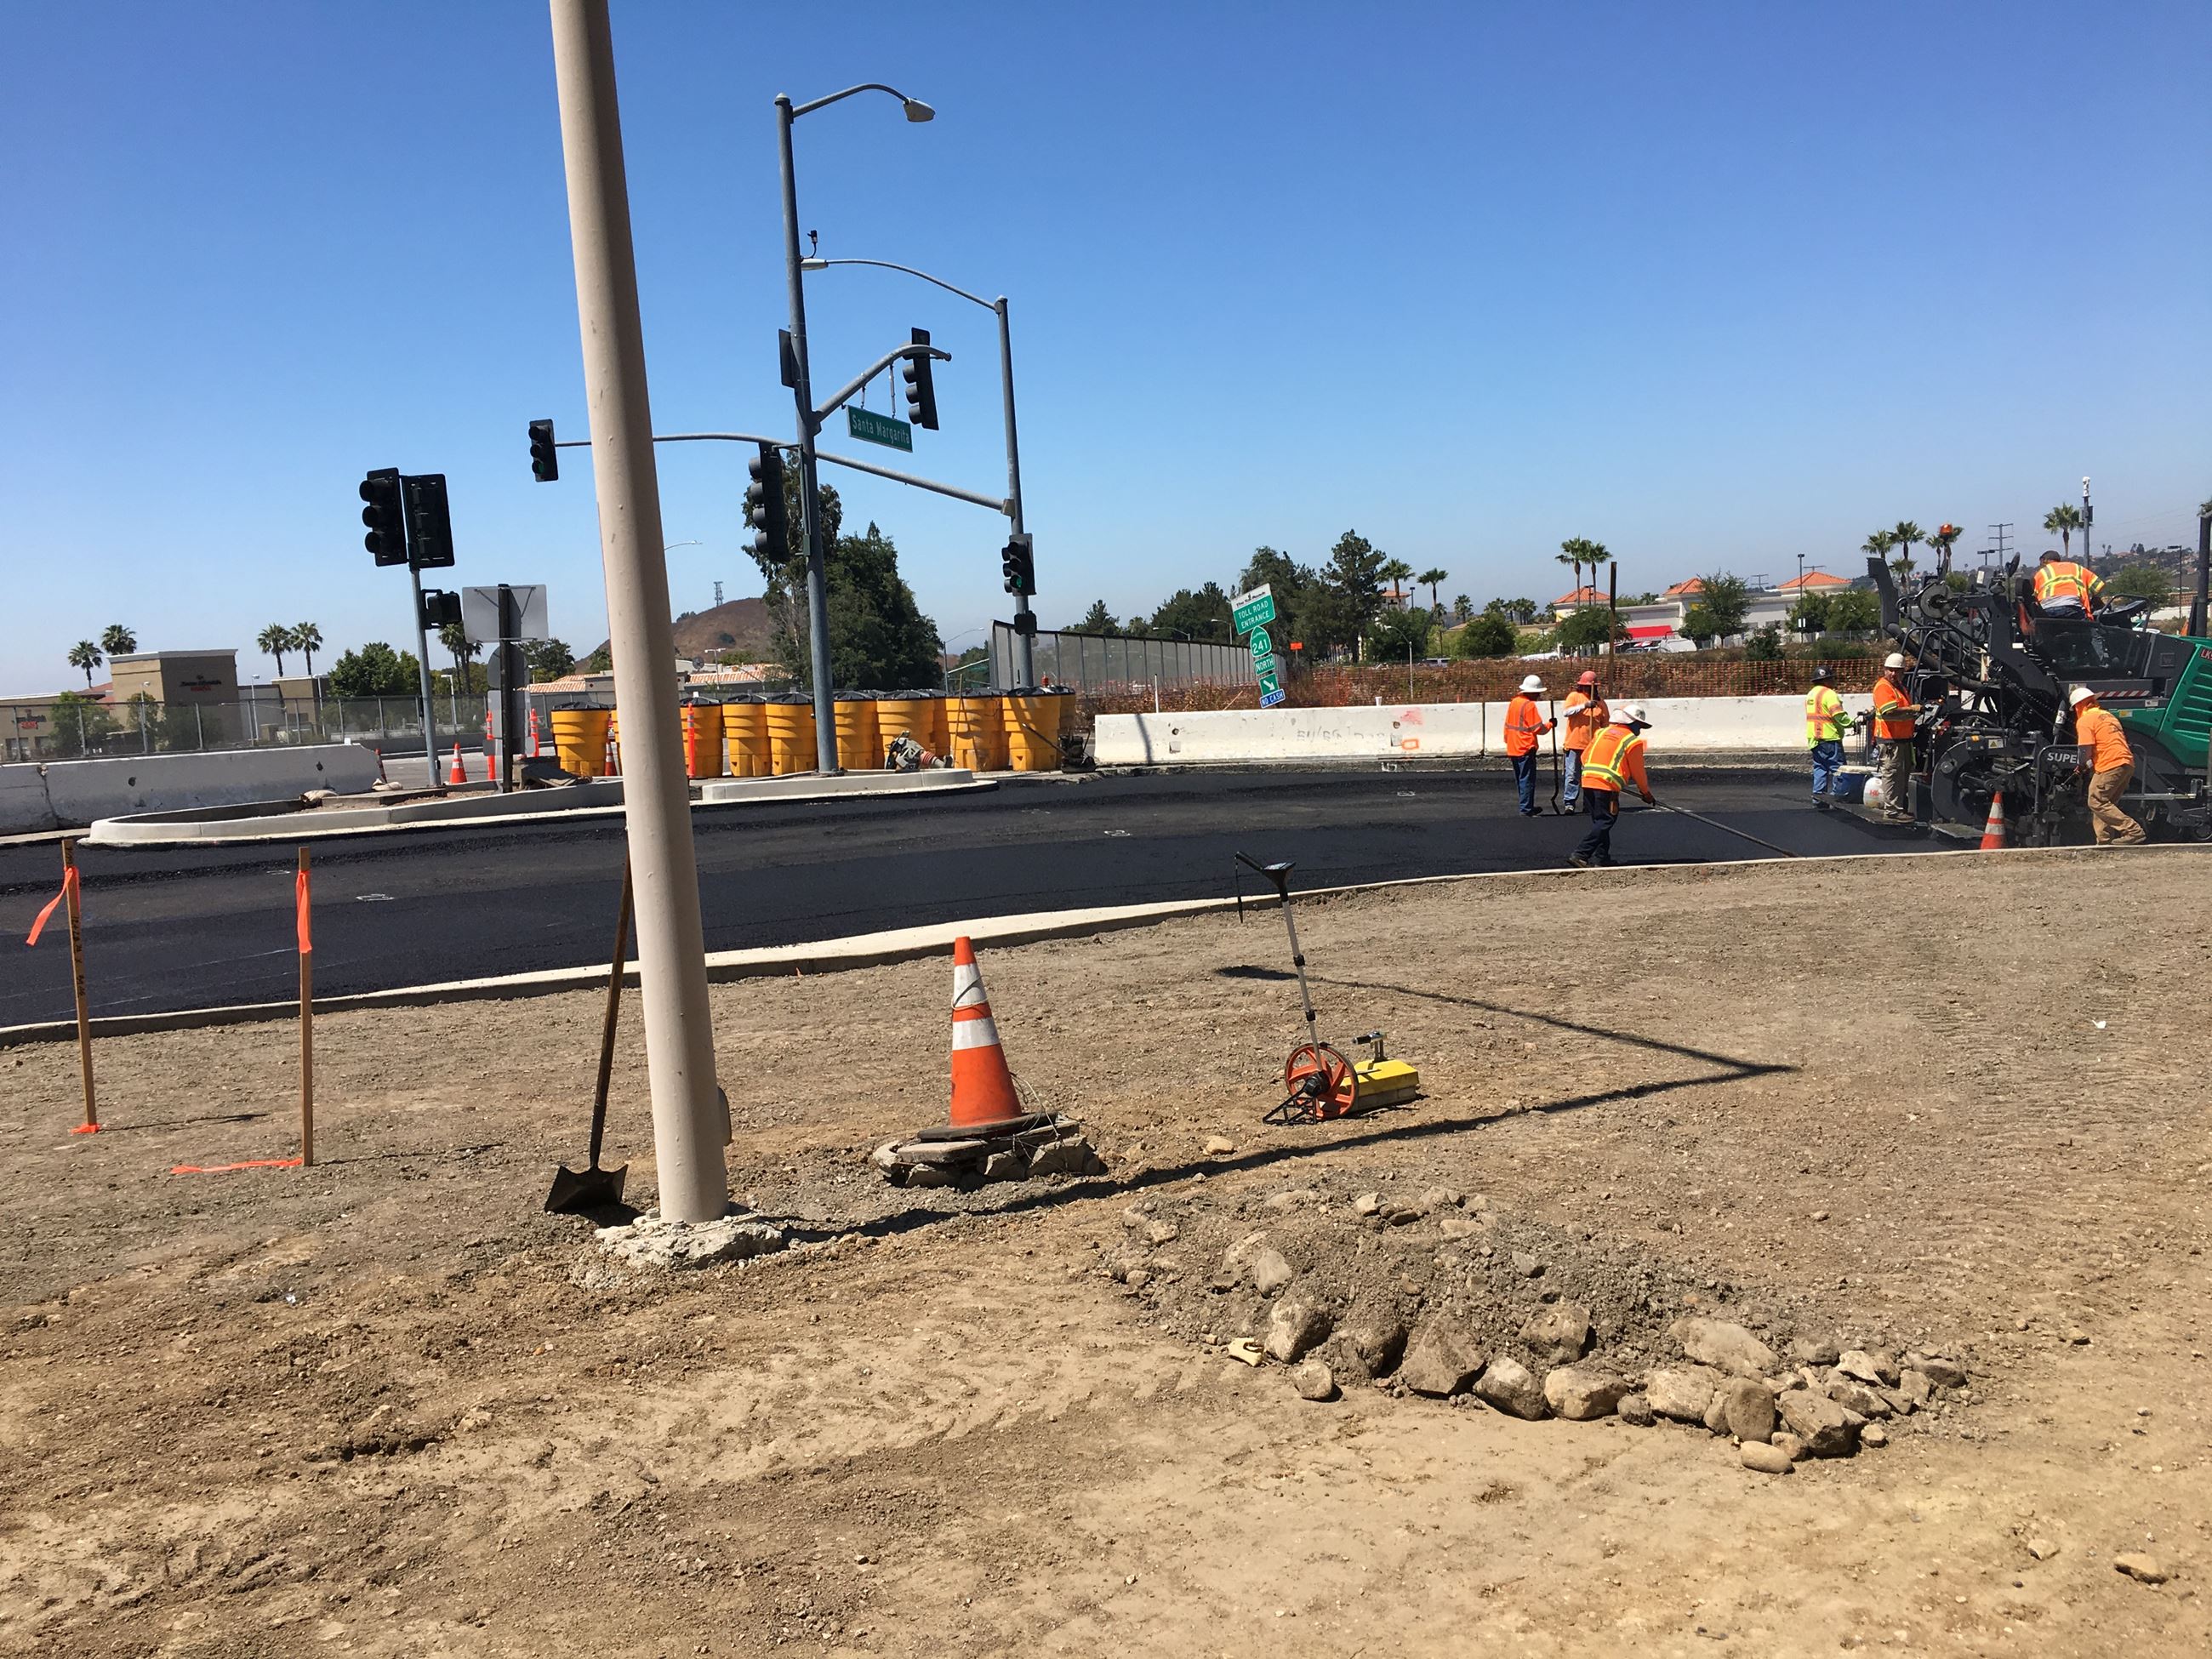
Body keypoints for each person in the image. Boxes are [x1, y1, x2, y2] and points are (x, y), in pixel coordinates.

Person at [1569, 703, 1654, 869]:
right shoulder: (1632, 741)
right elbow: (1638, 772)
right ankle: (1581, 854)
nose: (1640, 730)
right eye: (1640, 725)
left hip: (1588, 781)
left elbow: (1585, 757)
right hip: (1606, 785)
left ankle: (1602, 858)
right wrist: (1646, 793)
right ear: (1632, 723)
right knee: (1606, 820)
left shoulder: (1601, 733)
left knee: (1599, 822)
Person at [2068, 686, 2146, 845]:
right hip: (2126, 763)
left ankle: (2133, 831)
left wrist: (2081, 765)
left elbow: (2084, 750)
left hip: (2110, 764)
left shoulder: (2085, 720)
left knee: (2095, 800)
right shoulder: (2107, 716)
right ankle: (2104, 840)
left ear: (2078, 705)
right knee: (2104, 803)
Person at [1870, 652, 1921, 824]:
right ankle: (1892, 811)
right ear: (1885, 670)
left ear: (1902, 672)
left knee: (1901, 775)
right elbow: (1888, 711)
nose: (1893, 673)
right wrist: (1912, 709)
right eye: (1890, 670)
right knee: (1892, 774)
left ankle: (1898, 807)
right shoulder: (1883, 687)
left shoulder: (1900, 688)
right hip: (1891, 741)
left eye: (1896, 670)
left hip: (1902, 740)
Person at [1503, 674, 1554, 817]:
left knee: (1521, 779)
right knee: (1527, 779)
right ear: (1531, 692)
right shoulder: (1529, 705)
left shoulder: (1515, 702)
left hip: (1514, 747)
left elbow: (1507, 725)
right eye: (1537, 693)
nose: (1538, 696)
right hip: (1525, 747)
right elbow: (1538, 728)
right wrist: (1551, 725)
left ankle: (1526, 805)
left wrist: (1508, 740)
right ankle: (1526, 809)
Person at [1804, 665, 1854, 810]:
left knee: (1820, 768)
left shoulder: (1811, 695)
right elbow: (1838, 715)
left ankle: (1818, 798)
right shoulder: (1829, 694)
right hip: (1830, 738)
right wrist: (1852, 723)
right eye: (1833, 678)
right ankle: (1837, 798)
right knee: (1839, 769)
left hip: (1814, 739)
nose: (1834, 681)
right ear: (1827, 680)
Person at [1559, 670, 1606, 810]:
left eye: (1591, 687)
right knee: (1572, 775)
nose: (1588, 689)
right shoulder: (1574, 697)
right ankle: (1569, 803)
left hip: (1592, 746)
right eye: (1586, 687)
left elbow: (1605, 725)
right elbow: (1566, 712)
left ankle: (1589, 804)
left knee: (1589, 776)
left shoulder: (1601, 704)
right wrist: (1584, 706)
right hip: (1574, 744)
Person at [2032, 550, 2105, 618]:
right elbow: (2098, 586)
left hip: (2047, 610)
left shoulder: (2041, 573)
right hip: (2072, 607)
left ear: (2043, 560)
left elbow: (2033, 598)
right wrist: (2095, 600)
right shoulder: (2076, 568)